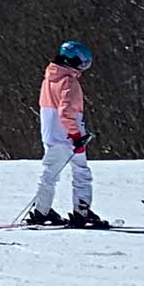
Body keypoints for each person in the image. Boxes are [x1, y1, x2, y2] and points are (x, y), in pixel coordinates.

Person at [27, 41, 106, 228]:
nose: (83, 67)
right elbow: (67, 112)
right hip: (68, 137)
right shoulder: (69, 82)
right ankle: (81, 212)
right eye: (81, 62)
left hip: (51, 134)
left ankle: (42, 210)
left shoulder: (49, 79)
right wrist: (76, 135)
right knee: (81, 173)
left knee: (50, 173)